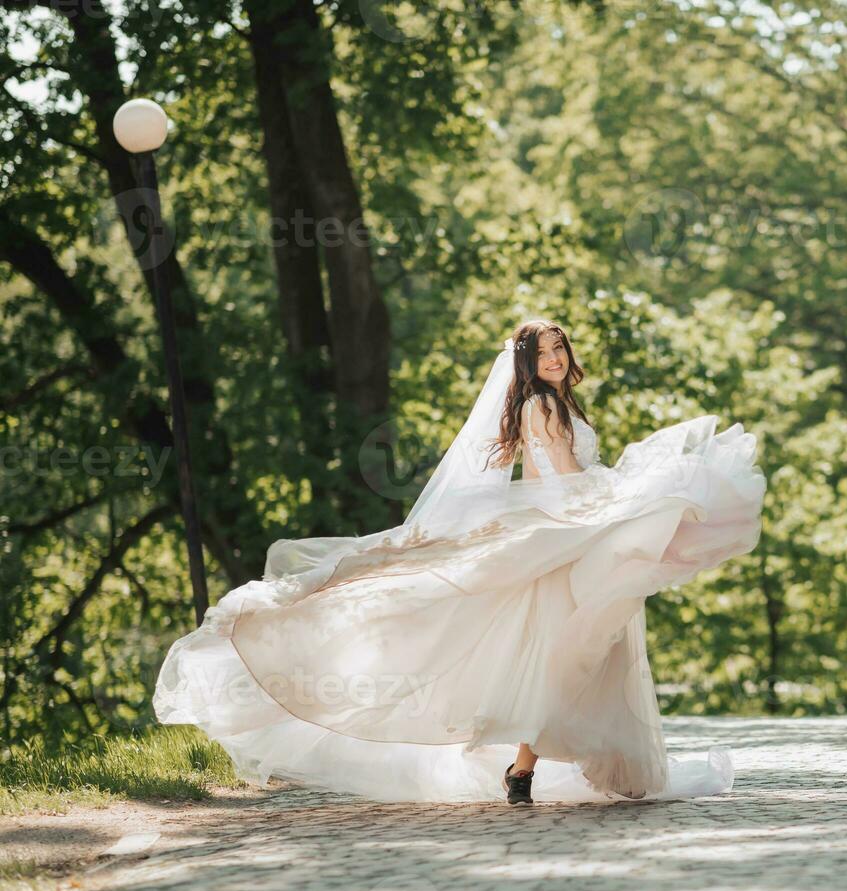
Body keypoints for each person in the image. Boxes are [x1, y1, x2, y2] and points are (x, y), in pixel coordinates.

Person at [153, 319, 766, 805]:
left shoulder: (557, 405)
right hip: (568, 534)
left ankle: (525, 769)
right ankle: (529, 766)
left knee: (576, 650)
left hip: (567, 533)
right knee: (572, 649)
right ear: (526, 364)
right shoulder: (542, 408)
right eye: (544, 354)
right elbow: (567, 478)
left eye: (560, 349)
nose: (554, 360)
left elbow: (545, 478)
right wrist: (627, 496)